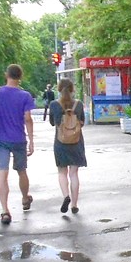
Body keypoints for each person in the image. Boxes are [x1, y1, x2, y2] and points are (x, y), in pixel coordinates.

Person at [0, 64, 35, 225]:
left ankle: (5, 211)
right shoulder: (25, 96)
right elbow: (28, 119)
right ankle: (25, 199)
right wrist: (31, 141)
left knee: (2, 174)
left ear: (6, 75)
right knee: (22, 171)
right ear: (20, 77)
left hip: (1, 139)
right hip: (19, 139)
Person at [49, 77, 87, 214]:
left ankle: (66, 196)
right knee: (74, 173)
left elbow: (52, 123)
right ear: (72, 89)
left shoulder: (54, 104)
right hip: (76, 142)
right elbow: (82, 122)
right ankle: (74, 205)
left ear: (59, 89)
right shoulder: (79, 104)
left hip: (60, 142)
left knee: (62, 172)